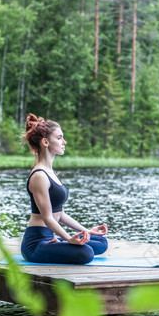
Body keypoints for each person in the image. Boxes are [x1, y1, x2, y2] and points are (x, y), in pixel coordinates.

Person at [21, 113, 108, 264]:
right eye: (60, 138)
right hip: (36, 244)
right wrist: (68, 239)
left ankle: (60, 244)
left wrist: (86, 231)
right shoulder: (39, 176)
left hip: (51, 236)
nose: (64, 142)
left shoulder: (50, 172)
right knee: (86, 253)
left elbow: (59, 214)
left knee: (101, 243)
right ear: (45, 142)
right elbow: (48, 218)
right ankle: (60, 245)